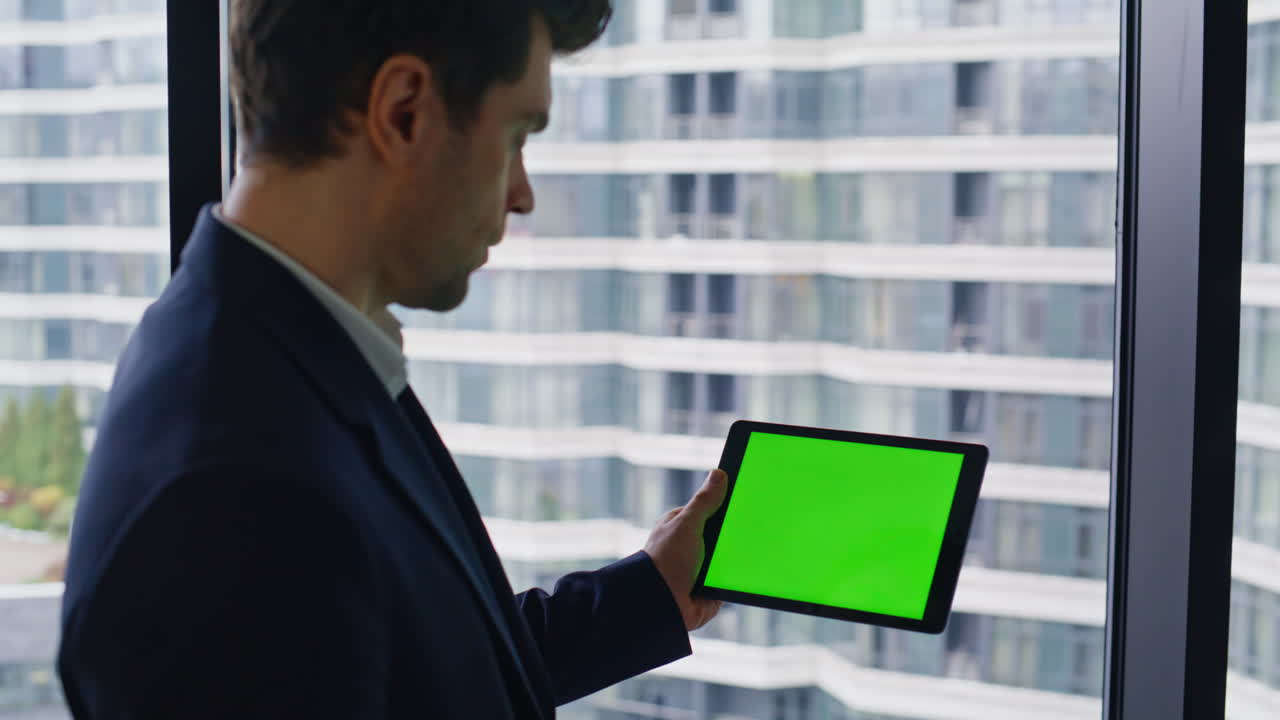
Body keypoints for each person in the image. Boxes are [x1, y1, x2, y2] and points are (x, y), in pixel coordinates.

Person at [56, 1, 727, 717]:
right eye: (516, 137)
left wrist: (649, 595)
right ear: (405, 111)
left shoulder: (281, 350)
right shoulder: (235, 497)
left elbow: (419, 657)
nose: (523, 195)